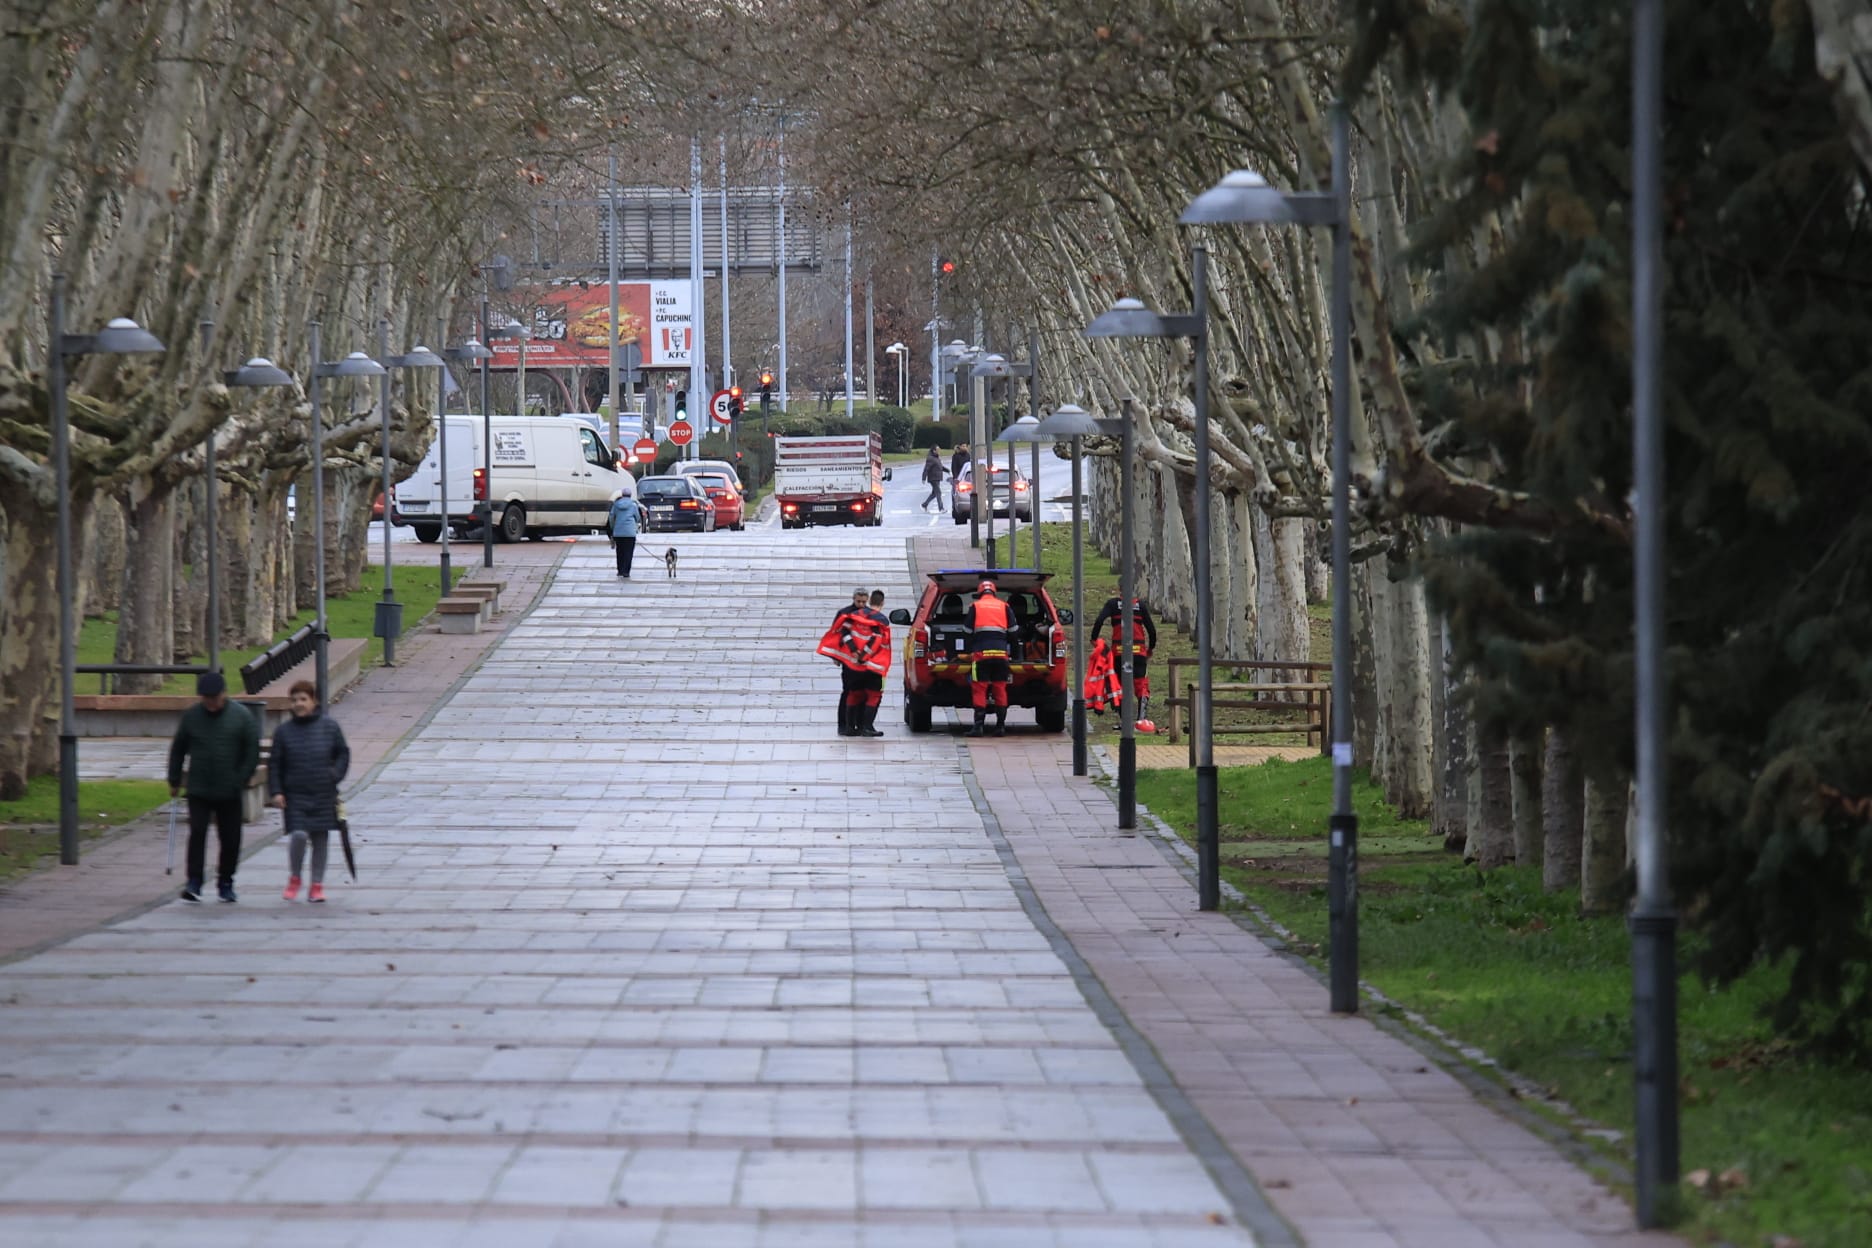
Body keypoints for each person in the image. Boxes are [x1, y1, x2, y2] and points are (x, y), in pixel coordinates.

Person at [167, 671, 260, 903]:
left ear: (224, 694)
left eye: (214, 697)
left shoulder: (241, 717)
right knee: (197, 833)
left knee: (230, 838)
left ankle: (226, 880)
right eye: (206, 698)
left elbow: (251, 750)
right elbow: (178, 748)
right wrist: (174, 778)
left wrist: (241, 778)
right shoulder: (192, 717)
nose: (210, 702)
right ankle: (194, 881)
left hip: (229, 789)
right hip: (199, 788)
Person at [268, 679, 351, 903]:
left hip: (323, 793)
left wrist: (334, 774)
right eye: (294, 700)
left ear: (313, 701)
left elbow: (343, 753)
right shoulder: (284, 732)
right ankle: (295, 876)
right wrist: (276, 791)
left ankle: (317, 884)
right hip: (295, 795)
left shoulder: (329, 727)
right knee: (299, 834)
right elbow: (275, 763)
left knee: (320, 839)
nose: (299, 704)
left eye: (303, 699)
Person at [1091, 595, 1160, 729]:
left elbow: (1099, 620)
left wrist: (1094, 639)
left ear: (1119, 589)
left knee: (1119, 686)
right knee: (1141, 685)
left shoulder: (1112, 604)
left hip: (1119, 653)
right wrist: (1150, 648)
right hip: (1138, 652)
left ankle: (1125, 722)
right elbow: (1151, 630)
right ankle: (1141, 719)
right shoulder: (1140, 605)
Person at [965, 579, 1012, 737]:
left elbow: (966, 629)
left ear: (979, 593)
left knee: (980, 689)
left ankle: (978, 727)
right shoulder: (1004, 606)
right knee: (1000, 688)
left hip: (981, 655)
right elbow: (1014, 629)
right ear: (994, 592)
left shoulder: (976, 606)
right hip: (1001, 654)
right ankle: (1000, 726)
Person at [819, 588, 869, 735]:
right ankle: (844, 724)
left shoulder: (869, 614)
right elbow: (836, 634)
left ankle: (859, 724)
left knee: (862, 692)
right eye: (858, 601)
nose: (861, 604)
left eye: (863, 602)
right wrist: (835, 656)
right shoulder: (845, 613)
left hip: (863, 660)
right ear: (853, 599)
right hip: (848, 659)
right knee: (848, 691)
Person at [608, 483, 648, 578]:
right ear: (630, 495)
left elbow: (611, 517)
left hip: (618, 532)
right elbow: (637, 518)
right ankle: (626, 571)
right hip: (630, 533)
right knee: (628, 552)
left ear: (622, 495)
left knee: (620, 552)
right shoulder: (633, 505)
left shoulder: (616, 505)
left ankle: (620, 570)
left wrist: (613, 528)